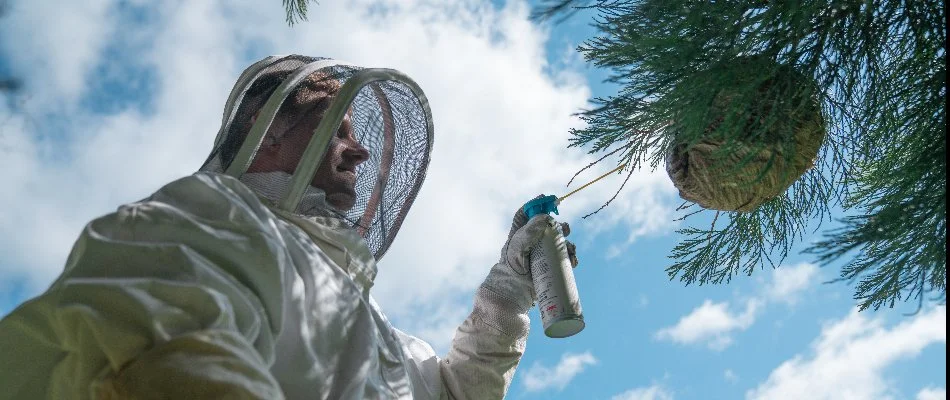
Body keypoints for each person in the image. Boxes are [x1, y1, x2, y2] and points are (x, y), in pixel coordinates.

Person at [0, 55, 577, 399]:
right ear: (269, 127)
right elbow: (163, 357)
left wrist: (508, 287)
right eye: (342, 131)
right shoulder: (212, 220)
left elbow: (453, 393)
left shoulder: (372, 328)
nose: (360, 155)